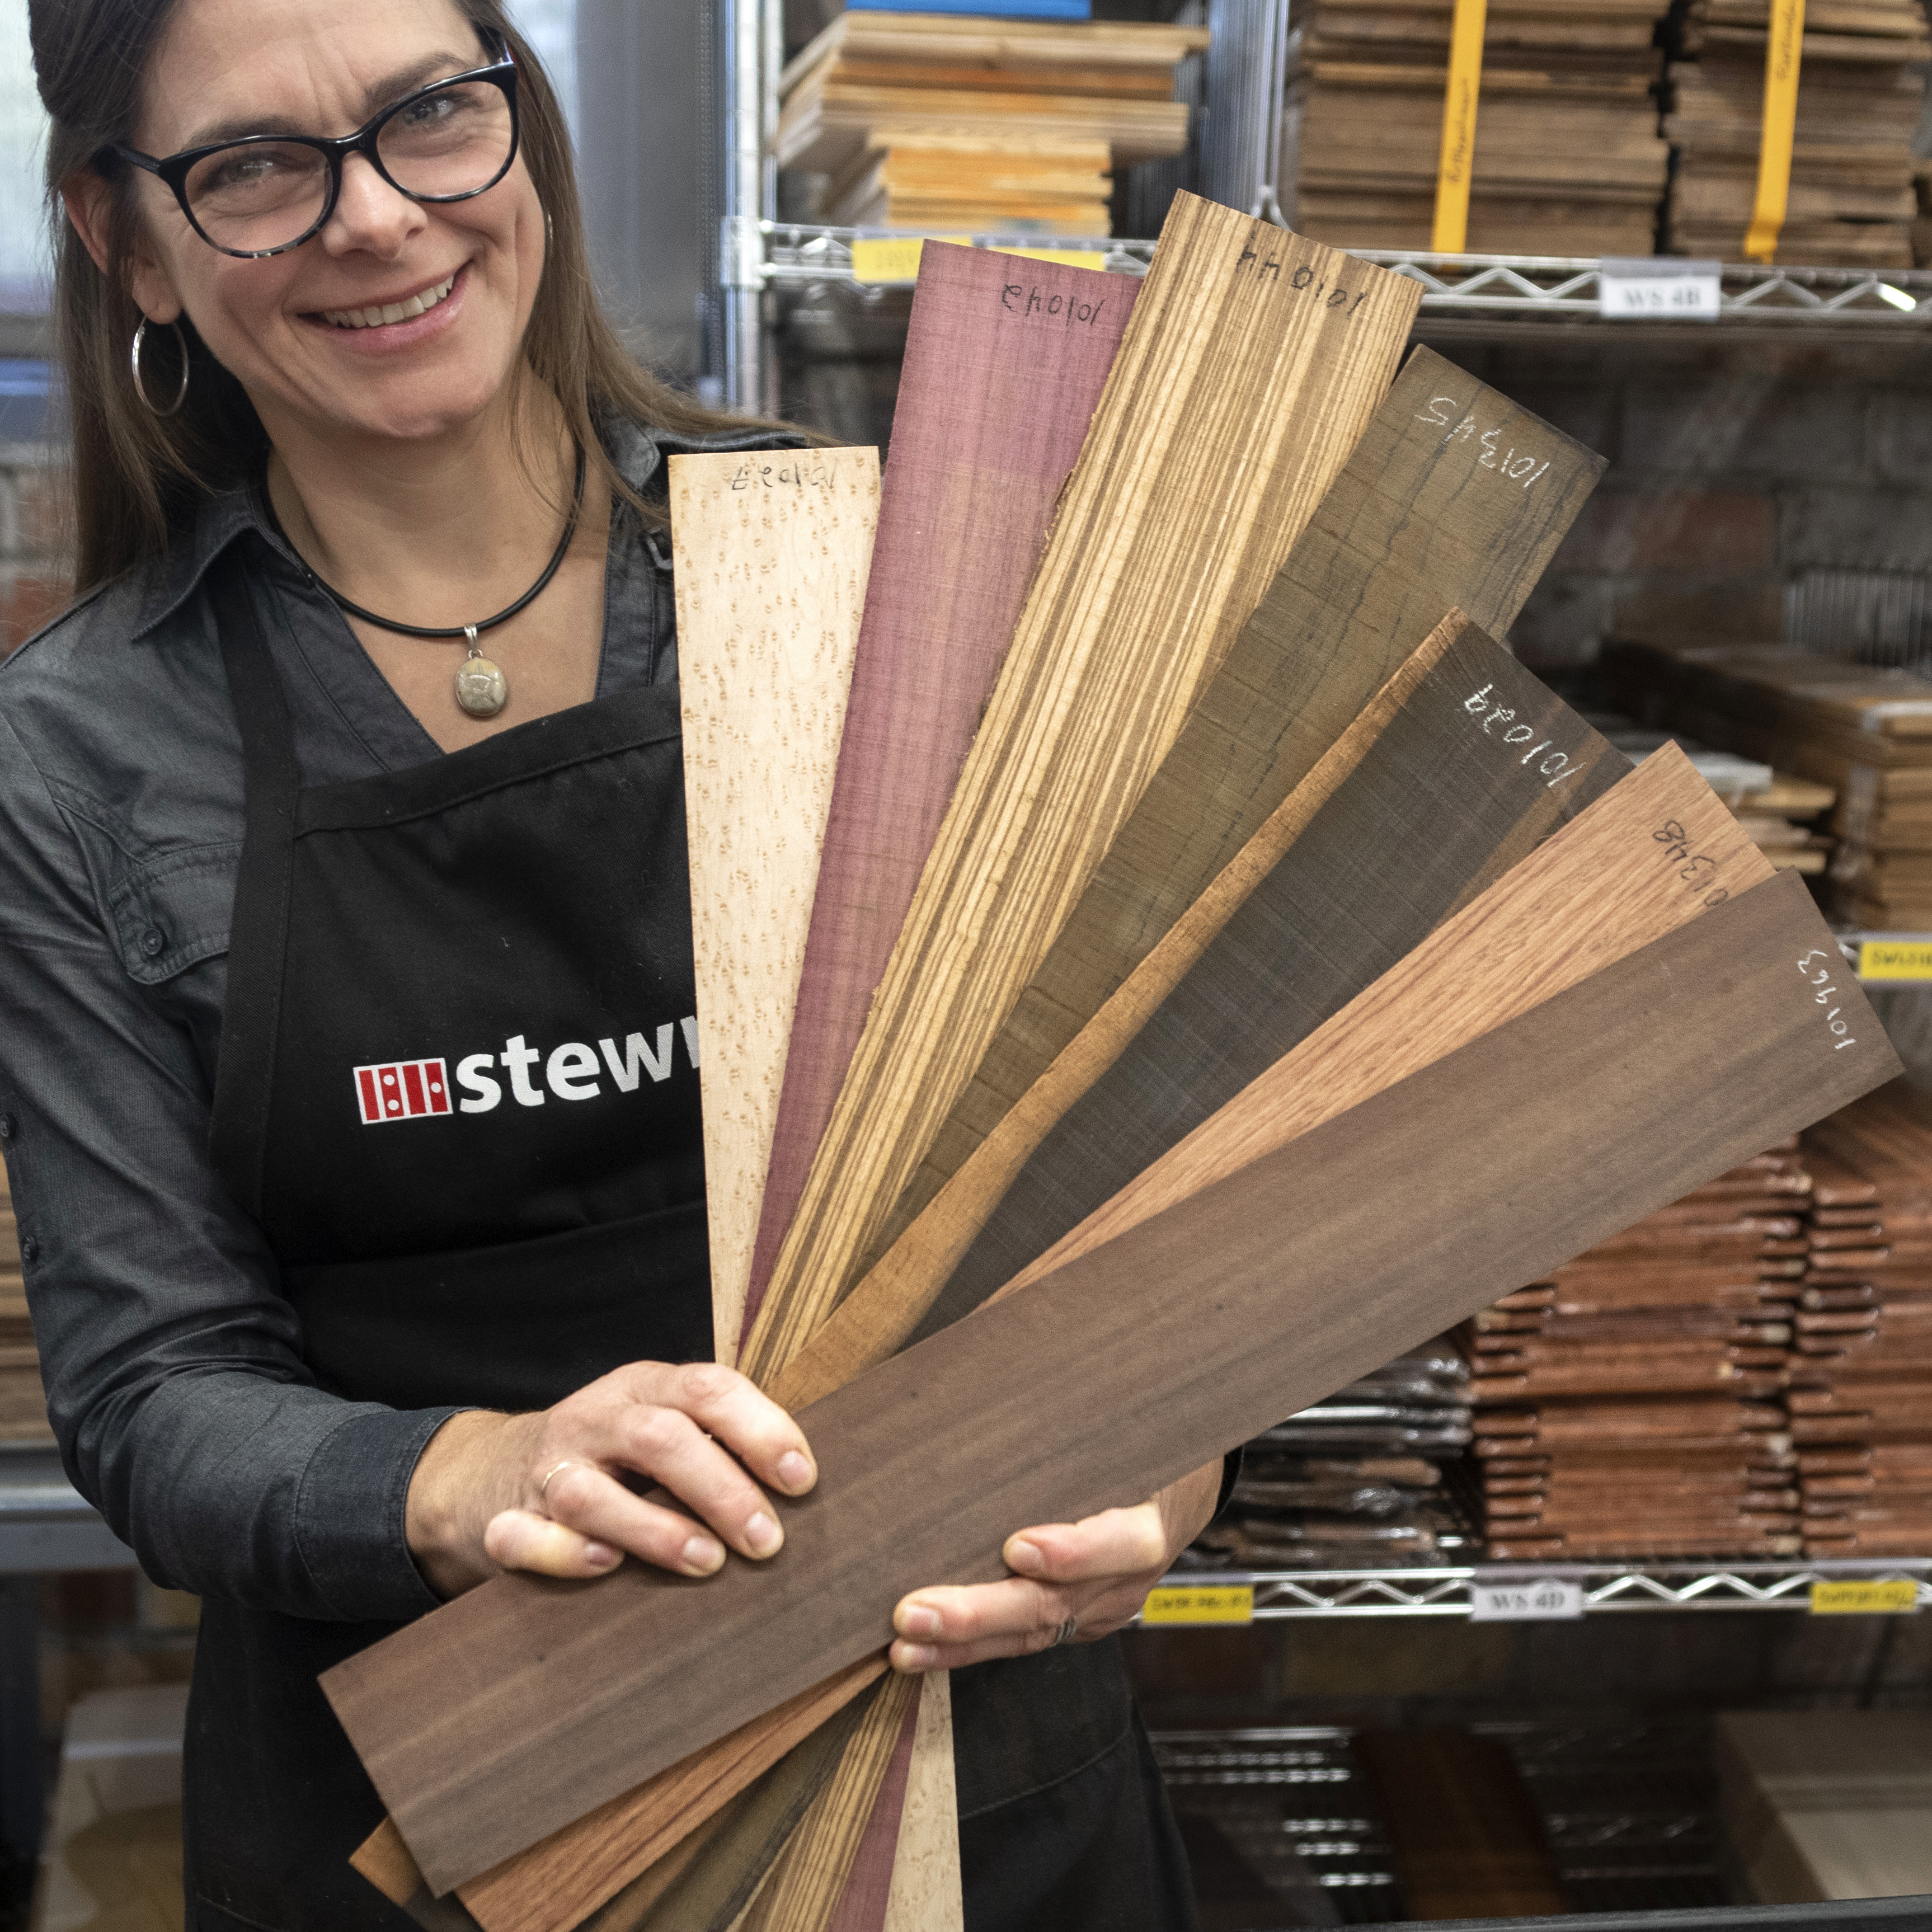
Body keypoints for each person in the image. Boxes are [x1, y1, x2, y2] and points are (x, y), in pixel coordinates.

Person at [4, 1, 1228, 1926]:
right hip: (442, 1829)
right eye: (254, 167)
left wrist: (1169, 1464)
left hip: (967, 1778)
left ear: (522, 119)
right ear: (125, 237)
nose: (377, 216)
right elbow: (156, 1393)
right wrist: (486, 1476)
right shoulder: (77, 759)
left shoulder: (870, 577)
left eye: (430, 115)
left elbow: (1139, 1191)